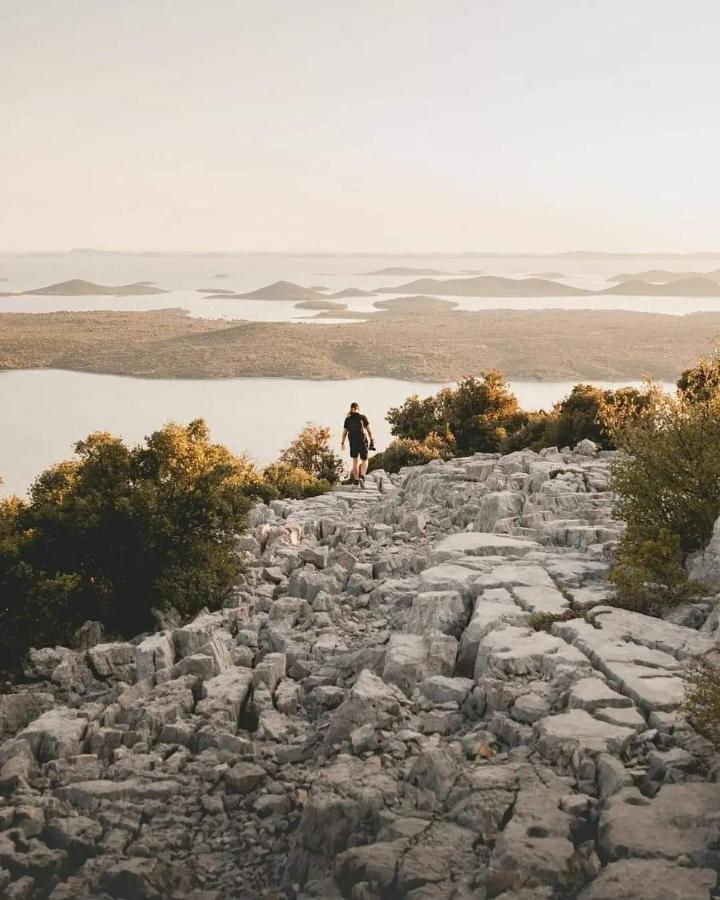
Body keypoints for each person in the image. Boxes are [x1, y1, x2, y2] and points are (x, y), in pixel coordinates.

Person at [341, 402, 375, 487]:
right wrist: (372, 440)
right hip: (362, 441)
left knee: (355, 461)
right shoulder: (362, 417)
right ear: (358, 408)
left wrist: (342, 443)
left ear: (351, 408)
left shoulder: (347, 419)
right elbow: (369, 431)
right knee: (365, 460)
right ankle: (362, 476)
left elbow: (344, 433)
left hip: (353, 442)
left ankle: (356, 480)